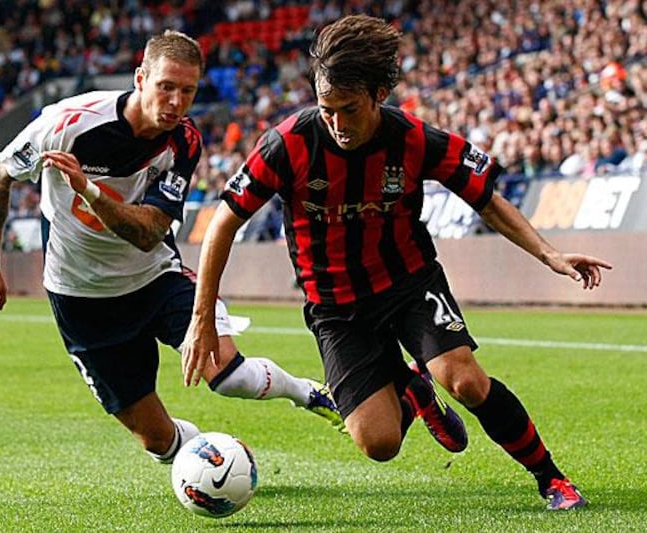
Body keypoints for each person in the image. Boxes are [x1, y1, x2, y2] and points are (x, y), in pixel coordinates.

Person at [182, 15, 613, 511]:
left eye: (349, 109)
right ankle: (415, 393)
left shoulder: (414, 138)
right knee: (378, 443)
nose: (338, 125)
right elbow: (223, 222)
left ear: (379, 93)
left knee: (466, 379)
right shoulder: (289, 143)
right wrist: (202, 319)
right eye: (327, 111)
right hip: (336, 306)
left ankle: (550, 479)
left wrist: (550, 254)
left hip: (409, 282)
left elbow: (487, 198)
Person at [0, 30, 351, 466]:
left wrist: (89, 190)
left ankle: (309, 393)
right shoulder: (68, 123)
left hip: (155, 279)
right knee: (157, 442)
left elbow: (148, 231)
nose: (175, 101)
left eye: (187, 91)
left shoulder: (182, 142)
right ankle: (209, 464)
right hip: (81, 298)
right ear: (140, 78)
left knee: (229, 374)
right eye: (166, 86)